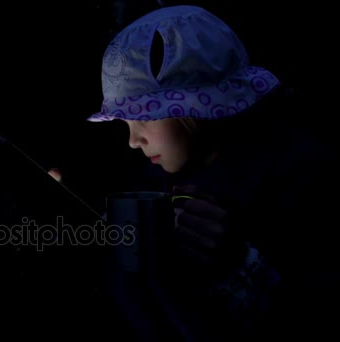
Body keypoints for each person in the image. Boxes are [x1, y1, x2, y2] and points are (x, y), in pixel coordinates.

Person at [51, 4, 339, 341]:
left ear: (196, 106)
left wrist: (240, 267)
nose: (133, 140)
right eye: (125, 121)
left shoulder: (304, 175)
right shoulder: (153, 183)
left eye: (147, 114)